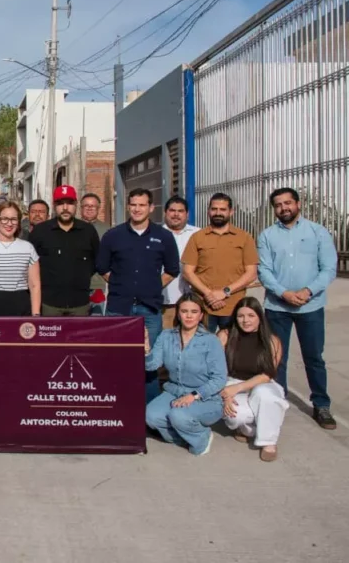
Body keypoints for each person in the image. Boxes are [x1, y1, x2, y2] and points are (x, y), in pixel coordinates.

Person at [256, 187, 338, 430]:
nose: (284, 208)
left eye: (288, 203)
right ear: (274, 209)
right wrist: (284, 293)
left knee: (314, 357)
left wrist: (308, 291)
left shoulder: (317, 232)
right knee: (277, 358)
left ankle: (321, 404)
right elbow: (264, 270)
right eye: (278, 205)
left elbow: (328, 268)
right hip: (277, 307)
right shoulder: (267, 236)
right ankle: (277, 401)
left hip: (310, 307)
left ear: (298, 204)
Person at [97, 188, 180, 355]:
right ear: (128, 207)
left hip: (149, 308)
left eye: (142, 205)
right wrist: (120, 283)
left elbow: (172, 270)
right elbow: (102, 267)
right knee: (115, 354)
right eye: (133, 205)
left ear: (151, 207)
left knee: (149, 356)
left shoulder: (164, 236)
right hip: (118, 307)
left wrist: (154, 286)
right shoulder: (113, 235)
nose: (137, 209)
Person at [144, 292, 226, 456]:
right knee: (150, 416)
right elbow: (152, 365)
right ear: (178, 314)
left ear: (201, 315)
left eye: (194, 312)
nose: (189, 316)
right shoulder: (166, 336)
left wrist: (194, 395)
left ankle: (202, 437)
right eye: (184, 311)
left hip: (206, 397)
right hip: (174, 391)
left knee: (178, 415)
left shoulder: (211, 341)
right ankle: (184, 438)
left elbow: (219, 378)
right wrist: (146, 349)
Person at [217, 297, 287, 462]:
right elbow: (216, 370)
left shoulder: (272, 340)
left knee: (266, 396)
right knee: (236, 416)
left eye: (251, 315)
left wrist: (239, 388)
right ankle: (247, 430)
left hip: (262, 383)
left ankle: (268, 443)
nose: (245, 320)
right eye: (241, 316)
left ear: (259, 317)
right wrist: (225, 394)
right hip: (230, 382)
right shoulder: (225, 335)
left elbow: (268, 374)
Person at [181, 193, 258, 332]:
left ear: (231, 212)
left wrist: (225, 292)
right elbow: (187, 272)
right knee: (202, 344)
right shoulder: (197, 237)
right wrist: (209, 294)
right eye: (214, 209)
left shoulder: (244, 238)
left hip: (234, 307)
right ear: (208, 211)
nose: (218, 213)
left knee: (232, 345)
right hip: (203, 306)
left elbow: (251, 274)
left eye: (223, 209)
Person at [29, 185, 100, 317]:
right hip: (48, 304)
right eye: (60, 203)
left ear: (76, 205)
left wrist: (80, 277)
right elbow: (30, 265)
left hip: (80, 304)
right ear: (54, 206)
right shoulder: (40, 231)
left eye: (70, 203)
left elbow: (96, 261)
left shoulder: (88, 231)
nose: (65, 208)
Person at [160, 195, 199, 328]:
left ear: (187, 214)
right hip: (165, 301)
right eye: (172, 210)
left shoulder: (198, 234)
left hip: (193, 301)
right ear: (165, 213)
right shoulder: (156, 234)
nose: (176, 214)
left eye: (180, 211)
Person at [80, 193, 109, 316]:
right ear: (80, 208)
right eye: (86, 206)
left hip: (98, 285)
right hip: (76, 286)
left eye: (93, 206)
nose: (89, 208)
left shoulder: (107, 230)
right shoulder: (72, 227)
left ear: (98, 208)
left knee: (97, 320)